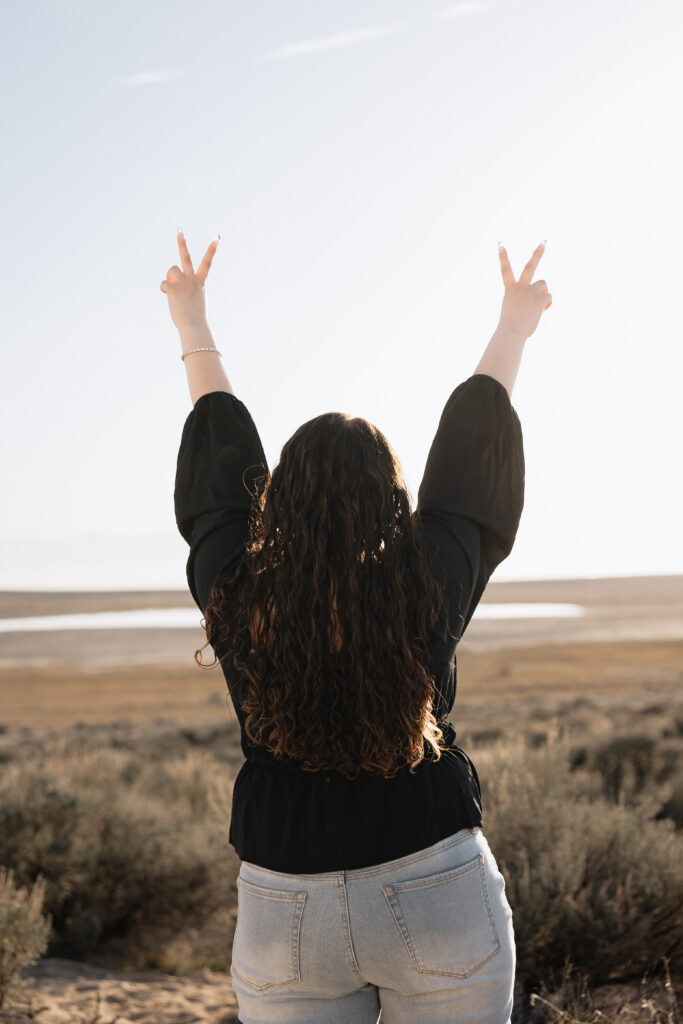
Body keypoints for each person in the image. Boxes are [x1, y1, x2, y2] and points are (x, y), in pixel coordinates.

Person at [162, 233, 552, 1024]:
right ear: (391, 500)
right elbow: (469, 475)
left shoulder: (238, 585)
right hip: (436, 884)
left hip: (285, 905)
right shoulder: (428, 576)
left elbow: (217, 479)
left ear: (278, 499)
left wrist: (191, 325)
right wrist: (511, 328)